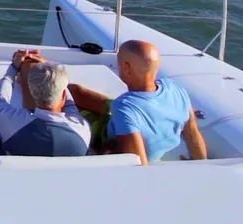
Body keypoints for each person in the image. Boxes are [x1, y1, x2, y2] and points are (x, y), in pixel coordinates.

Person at [68, 39, 208, 165]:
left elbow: (138, 162)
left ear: (126, 68)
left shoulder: (124, 107)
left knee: (71, 97)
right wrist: (201, 165)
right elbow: (192, 133)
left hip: (107, 134)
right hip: (131, 114)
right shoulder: (175, 88)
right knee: (81, 93)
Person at [0, 49, 90, 157]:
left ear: (31, 93)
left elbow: (1, 98)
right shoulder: (82, 129)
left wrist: (13, 67)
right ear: (63, 94)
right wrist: (50, 68)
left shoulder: (11, 121)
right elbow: (69, 103)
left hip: (13, 158)